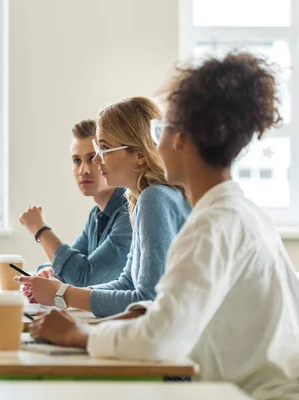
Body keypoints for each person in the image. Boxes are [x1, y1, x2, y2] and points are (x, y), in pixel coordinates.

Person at [28, 52, 299, 399]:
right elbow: (163, 308)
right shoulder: (239, 212)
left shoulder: (212, 225)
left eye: (161, 130)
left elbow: (160, 336)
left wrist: (77, 334)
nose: (156, 143)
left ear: (181, 139)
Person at [17, 97, 190, 317]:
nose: (97, 162)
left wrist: (64, 294)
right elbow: (127, 282)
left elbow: (146, 301)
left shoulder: (154, 199)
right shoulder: (142, 199)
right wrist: (59, 293)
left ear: (139, 155)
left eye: (104, 149)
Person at [19, 119, 132, 287]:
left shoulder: (129, 213)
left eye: (93, 158)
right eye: (77, 160)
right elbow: (69, 264)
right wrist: (49, 270)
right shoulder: (96, 215)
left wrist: (40, 230)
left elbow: (84, 277)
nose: (83, 170)